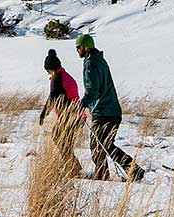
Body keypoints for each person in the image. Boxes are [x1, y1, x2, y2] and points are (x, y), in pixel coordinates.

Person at [75, 35, 143, 182]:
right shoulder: (99, 60)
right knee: (105, 145)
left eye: (78, 47)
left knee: (97, 145)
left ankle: (104, 177)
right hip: (112, 111)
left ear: (86, 47)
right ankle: (133, 170)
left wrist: (82, 104)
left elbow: (92, 91)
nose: (77, 50)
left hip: (103, 111)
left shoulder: (91, 64)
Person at [38, 49, 82, 179]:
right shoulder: (65, 76)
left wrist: (43, 114)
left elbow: (52, 98)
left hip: (69, 115)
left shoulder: (58, 79)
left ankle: (72, 168)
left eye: (47, 70)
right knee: (62, 139)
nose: (47, 73)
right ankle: (73, 167)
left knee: (59, 138)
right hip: (75, 115)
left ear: (51, 68)